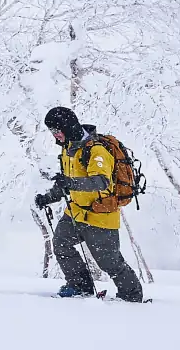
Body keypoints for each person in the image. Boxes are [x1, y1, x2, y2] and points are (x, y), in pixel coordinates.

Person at [37, 106, 144, 302]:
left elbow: (101, 182)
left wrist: (69, 183)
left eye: (57, 130)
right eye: (51, 131)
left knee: (109, 262)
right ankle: (80, 286)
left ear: (68, 126)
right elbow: (67, 182)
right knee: (61, 244)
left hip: (100, 215)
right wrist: (49, 197)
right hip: (76, 212)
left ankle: (132, 296)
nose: (55, 134)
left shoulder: (96, 150)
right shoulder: (68, 149)